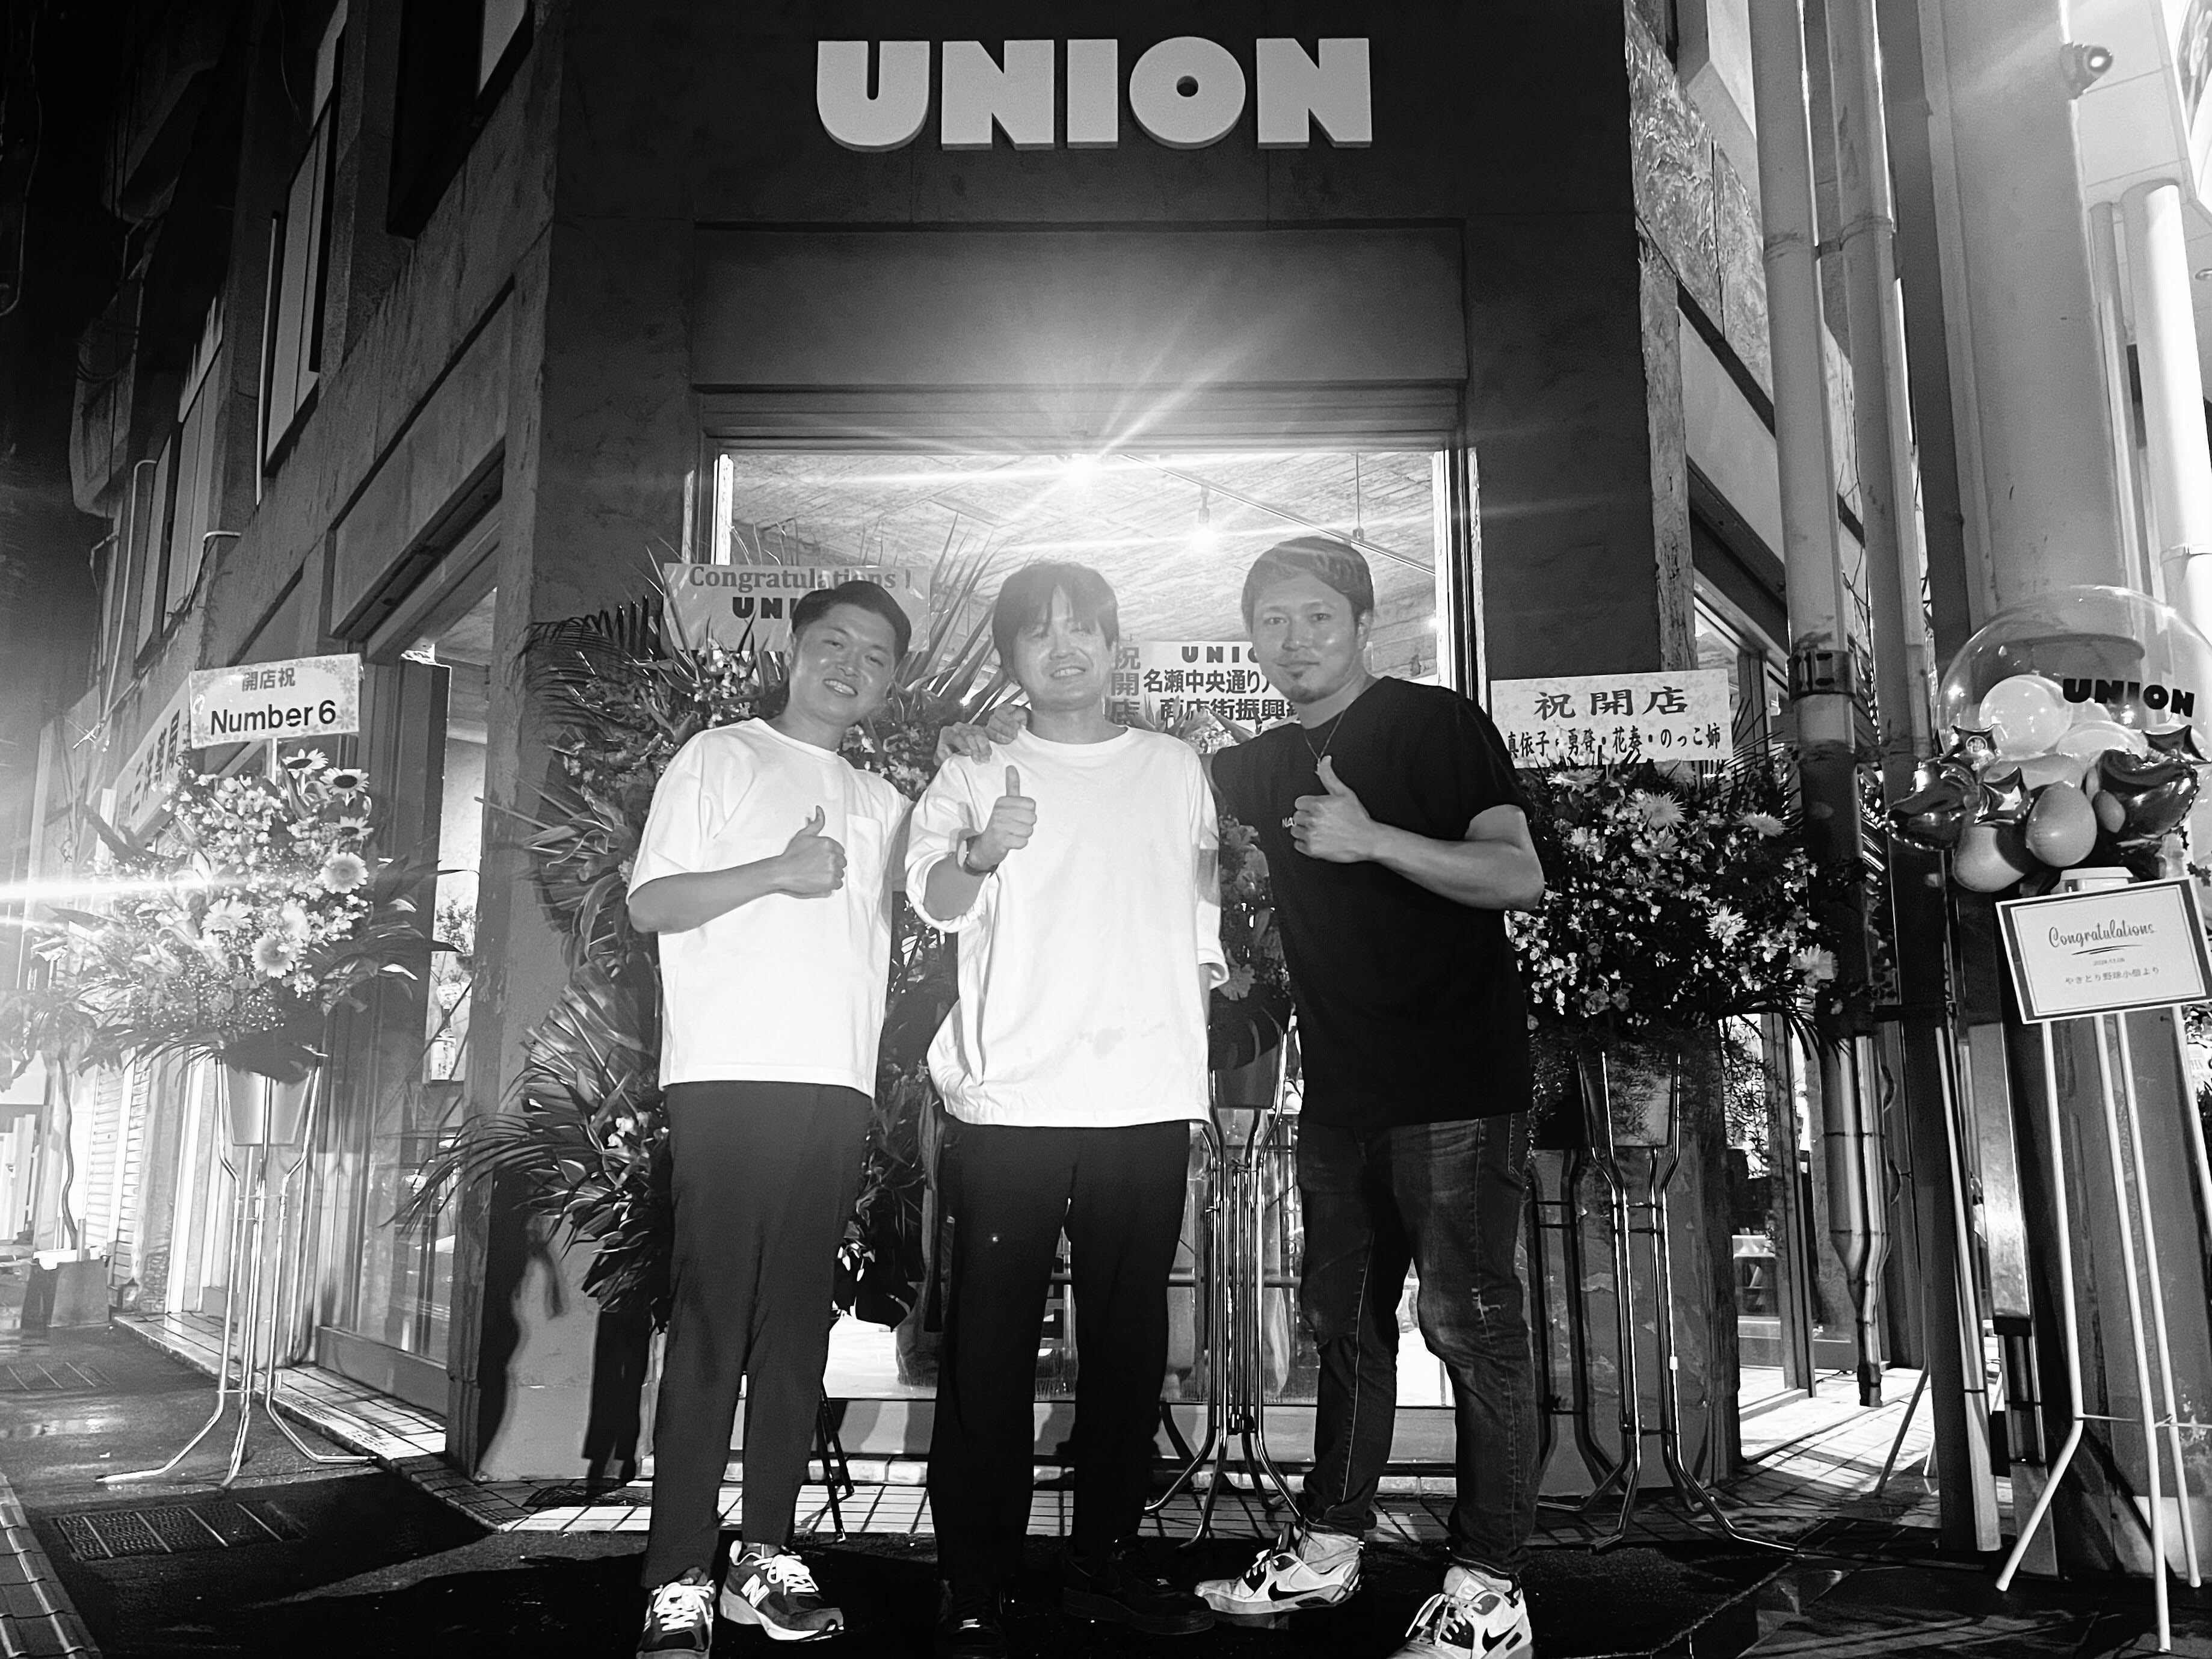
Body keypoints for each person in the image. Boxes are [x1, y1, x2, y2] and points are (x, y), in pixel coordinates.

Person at [1187, 535, 1547, 1659]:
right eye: (1272, 622)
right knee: (1341, 1325)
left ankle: (1489, 1588)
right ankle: (1330, 1547)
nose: (1293, 640)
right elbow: (1129, 791)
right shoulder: (1257, 763)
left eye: (1316, 618)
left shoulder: (1434, 724)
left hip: (1456, 1081)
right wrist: (988, 744)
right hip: (1341, 1090)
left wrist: (1370, 837)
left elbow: (1518, 874)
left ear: (1361, 624)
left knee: (1467, 1324)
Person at [907, 562, 1225, 1659]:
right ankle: (974, 1579)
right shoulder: (975, 763)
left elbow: (1201, 918)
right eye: (1039, 634)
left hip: (1142, 1096)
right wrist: (984, 848)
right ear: (1011, 658)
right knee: (988, 1349)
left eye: (1083, 628)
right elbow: (932, 898)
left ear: (1114, 642)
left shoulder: (1174, 766)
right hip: (1012, 1098)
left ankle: (1104, 1563)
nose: (1065, 647)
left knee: (1129, 1346)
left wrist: (1191, 1053)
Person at [626, 580, 915, 1655]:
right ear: (793, 650)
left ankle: (763, 1554)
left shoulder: (884, 801)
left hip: (834, 1081)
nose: (851, 666)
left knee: (796, 1328)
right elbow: (651, 902)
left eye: (875, 656)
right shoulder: (720, 756)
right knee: (712, 1321)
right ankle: (675, 1574)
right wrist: (778, 872)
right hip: (728, 1073)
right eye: (834, 642)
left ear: (891, 682)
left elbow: (948, 886)